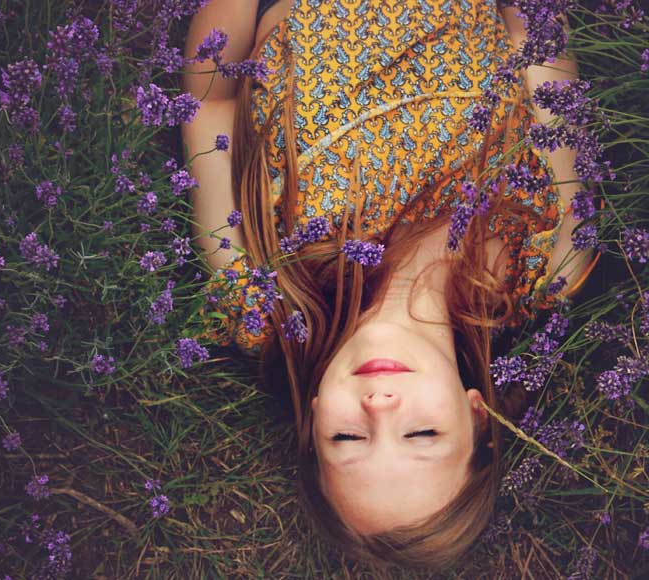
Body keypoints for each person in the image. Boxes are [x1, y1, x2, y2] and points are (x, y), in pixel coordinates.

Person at [181, 0, 603, 571]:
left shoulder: (261, 303)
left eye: (347, 441)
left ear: (311, 422)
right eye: (421, 433)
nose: (380, 408)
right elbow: (546, 64)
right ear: (476, 415)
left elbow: (210, 105)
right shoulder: (547, 265)